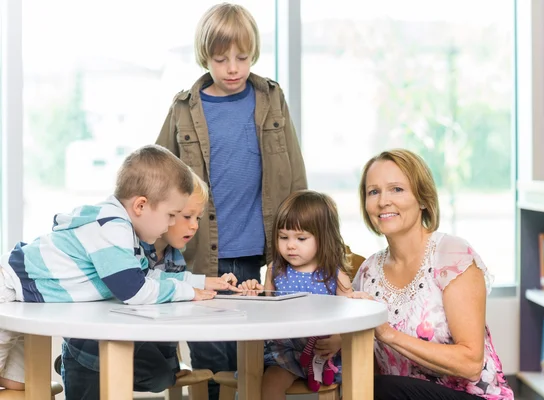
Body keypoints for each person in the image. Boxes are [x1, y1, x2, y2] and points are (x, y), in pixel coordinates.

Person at [155, 3, 307, 398]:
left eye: (242, 57)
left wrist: (304, 239)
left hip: (260, 254)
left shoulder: (272, 99)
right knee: (209, 359)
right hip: (203, 255)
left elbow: (295, 173)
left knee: (255, 358)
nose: (233, 68)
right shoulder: (184, 108)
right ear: (205, 57)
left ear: (253, 52)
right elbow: (156, 179)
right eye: (221, 59)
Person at [0, 145, 237, 392]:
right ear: (141, 206)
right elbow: (135, 291)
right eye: (171, 214)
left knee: (20, 384)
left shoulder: (127, 234)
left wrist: (198, 283)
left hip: (24, 297)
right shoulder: (112, 228)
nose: (170, 224)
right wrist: (187, 292)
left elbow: (145, 275)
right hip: (7, 288)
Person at [349, 149, 514, 400]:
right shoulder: (367, 272)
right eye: (374, 192)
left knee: (379, 390)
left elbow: (470, 364)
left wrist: (388, 334)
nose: (383, 201)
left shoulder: (451, 256)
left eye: (396, 189)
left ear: (423, 199)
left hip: (471, 396)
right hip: (400, 395)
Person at [60, 167, 237, 399]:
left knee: (161, 377)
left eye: (198, 218)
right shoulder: (124, 246)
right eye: (185, 216)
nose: (194, 225)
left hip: (133, 347)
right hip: (91, 344)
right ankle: (71, 361)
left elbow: (169, 310)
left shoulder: (175, 259)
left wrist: (171, 367)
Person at [239, 190, 353, 400]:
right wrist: (252, 294)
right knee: (270, 384)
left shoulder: (335, 276)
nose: (290, 245)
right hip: (285, 351)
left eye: (301, 238)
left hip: (323, 352)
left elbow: (353, 318)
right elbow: (266, 310)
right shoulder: (275, 270)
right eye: (283, 237)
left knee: (352, 384)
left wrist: (339, 339)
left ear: (324, 238)